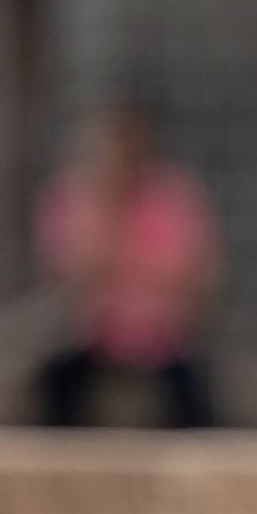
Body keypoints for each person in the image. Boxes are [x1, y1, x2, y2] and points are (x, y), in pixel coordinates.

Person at [34, 98, 220, 427]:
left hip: (163, 337)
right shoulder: (73, 194)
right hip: (92, 335)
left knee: (194, 406)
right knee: (53, 392)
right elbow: (70, 272)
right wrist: (107, 209)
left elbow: (193, 274)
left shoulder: (173, 193)